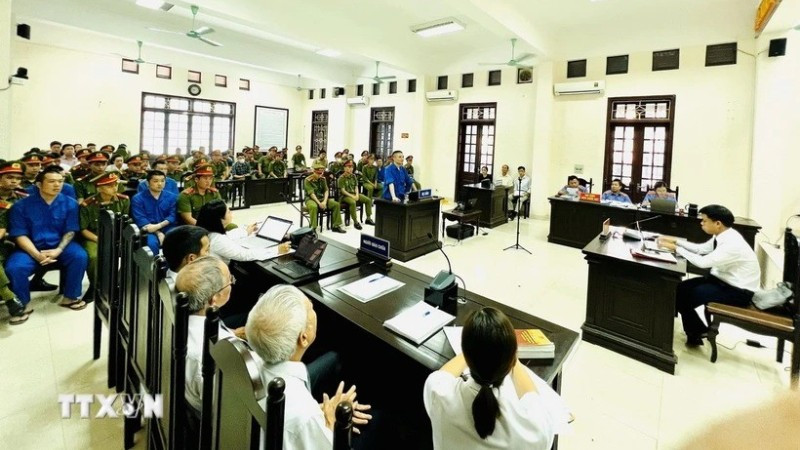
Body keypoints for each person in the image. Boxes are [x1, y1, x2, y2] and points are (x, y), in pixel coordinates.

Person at [246, 285, 373, 449]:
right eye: (310, 307)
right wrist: (331, 421)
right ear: (303, 338)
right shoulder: (305, 416)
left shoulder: (247, 363)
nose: (313, 307)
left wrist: (321, 410)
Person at [423, 307, 555, 449]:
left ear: (467, 355)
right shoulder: (536, 426)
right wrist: (510, 356)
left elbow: (443, 374)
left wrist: (475, 348)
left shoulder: (439, 394)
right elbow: (532, 396)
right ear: (511, 359)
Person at [656, 205, 760, 346]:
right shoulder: (723, 235)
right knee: (679, 288)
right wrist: (676, 241)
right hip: (722, 281)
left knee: (688, 297)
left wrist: (676, 248)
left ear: (718, 223)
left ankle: (695, 332)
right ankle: (696, 331)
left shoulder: (732, 243)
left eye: (704, 221)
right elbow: (700, 249)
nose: (701, 223)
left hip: (738, 291)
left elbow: (703, 262)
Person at [6, 165, 89, 312]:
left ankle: (70, 296)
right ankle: (23, 304)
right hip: (30, 248)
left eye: (60, 181)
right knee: (15, 267)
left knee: (79, 256)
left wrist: (58, 250)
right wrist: (36, 255)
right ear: (39, 184)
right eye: (51, 181)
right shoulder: (21, 206)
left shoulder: (70, 203)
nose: (57, 185)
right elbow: (20, 234)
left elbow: (70, 231)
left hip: (60, 245)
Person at [175, 255, 238, 413]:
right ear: (213, 299)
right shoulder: (217, 353)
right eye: (229, 280)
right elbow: (228, 410)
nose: (231, 283)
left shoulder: (177, 322)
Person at [79, 172, 130, 303]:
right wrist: (99, 240)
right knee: (93, 256)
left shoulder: (124, 200)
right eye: (109, 186)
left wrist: (119, 237)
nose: (114, 188)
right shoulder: (88, 204)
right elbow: (83, 229)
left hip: (117, 234)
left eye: (115, 185)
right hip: (95, 237)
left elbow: (125, 222)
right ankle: (95, 286)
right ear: (99, 188)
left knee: (131, 253)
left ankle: (116, 283)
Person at [196, 199, 276, 265]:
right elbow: (244, 255)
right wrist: (275, 250)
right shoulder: (217, 240)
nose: (231, 213)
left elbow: (228, 235)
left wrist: (246, 231)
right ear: (221, 219)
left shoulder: (207, 232)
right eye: (228, 211)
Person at [0, 162, 32, 324]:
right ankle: (10, 298)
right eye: (9, 177)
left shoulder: (23, 197)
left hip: (19, 240)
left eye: (18, 178)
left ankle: (9, 297)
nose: (14, 181)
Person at [131, 169, 178, 254]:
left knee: (176, 239)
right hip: (148, 229)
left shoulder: (172, 197)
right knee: (151, 244)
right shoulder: (138, 199)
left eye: (162, 181)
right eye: (156, 181)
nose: (160, 184)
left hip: (168, 227)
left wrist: (159, 226)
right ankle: (153, 262)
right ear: (148, 183)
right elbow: (141, 220)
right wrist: (158, 233)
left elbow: (172, 216)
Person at [161, 225, 210, 289]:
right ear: (191, 259)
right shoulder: (192, 290)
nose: (209, 255)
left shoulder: (167, 277)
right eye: (207, 250)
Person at [304, 161, 345, 233]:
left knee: (336, 204)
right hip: (310, 199)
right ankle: (313, 228)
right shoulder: (308, 180)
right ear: (314, 172)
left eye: (321, 173)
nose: (320, 175)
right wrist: (319, 203)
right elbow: (311, 194)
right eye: (318, 173)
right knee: (314, 207)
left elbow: (326, 191)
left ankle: (336, 226)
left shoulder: (323, 179)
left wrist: (324, 201)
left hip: (321, 198)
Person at [338, 161, 374, 230]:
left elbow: (356, 187)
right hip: (345, 196)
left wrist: (357, 195)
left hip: (354, 194)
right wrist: (352, 196)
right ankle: (355, 222)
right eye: (348, 167)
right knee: (352, 202)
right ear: (344, 168)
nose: (350, 169)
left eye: (352, 167)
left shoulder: (353, 176)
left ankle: (368, 218)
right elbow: (343, 191)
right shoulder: (341, 178)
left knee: (368, 200)